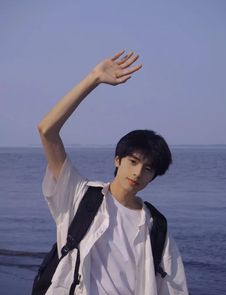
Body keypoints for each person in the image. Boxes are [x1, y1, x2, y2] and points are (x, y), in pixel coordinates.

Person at [38, 50, 189, 295]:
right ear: (117, 160)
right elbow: (47, 130)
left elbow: (175, 287)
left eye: (148, 168)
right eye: (133, 161)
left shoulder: (155, 225)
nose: (138, 172)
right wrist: (93, 79)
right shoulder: (80, 196)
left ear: (154, 176)